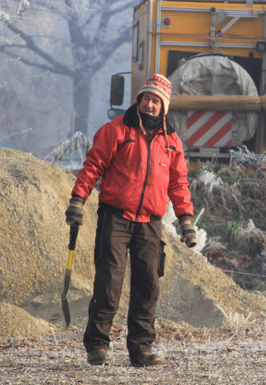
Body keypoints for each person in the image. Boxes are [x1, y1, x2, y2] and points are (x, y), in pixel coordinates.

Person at [65, 74, 197, 367]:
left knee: (148, 285)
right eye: (146, 98)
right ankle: (98, 345)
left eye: (156, 101)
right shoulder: (116, 131)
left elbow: (179, 183)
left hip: (151, 222)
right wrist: (77, 201)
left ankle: (141, 348)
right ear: (139, 101)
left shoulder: (172, 141)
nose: (150, 105)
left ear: (164, 107)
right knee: (109, 282)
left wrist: (186, 219)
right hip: (116, 217)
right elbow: (93, 165)